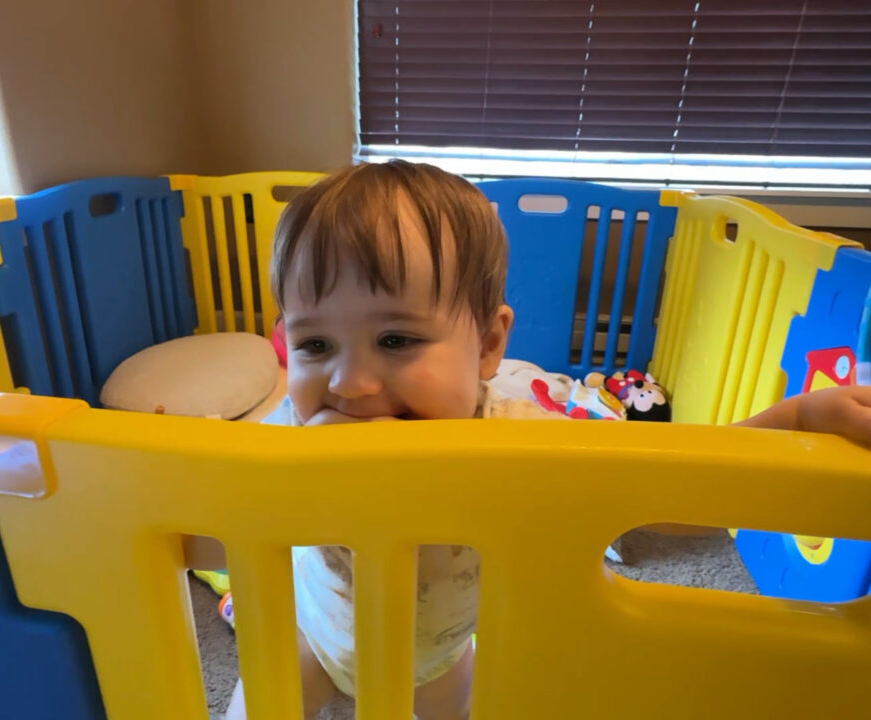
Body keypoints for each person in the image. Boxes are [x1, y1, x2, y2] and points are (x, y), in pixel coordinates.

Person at [223, 160, 871, 720]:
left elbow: (667, 498)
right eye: (314, 344)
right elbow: (208, 503)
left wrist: (796, 423)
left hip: (437, 654)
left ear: (487, 344)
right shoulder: (288, 433)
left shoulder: (522, 443)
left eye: (396, 340)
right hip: (311, 633)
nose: (351, 382)